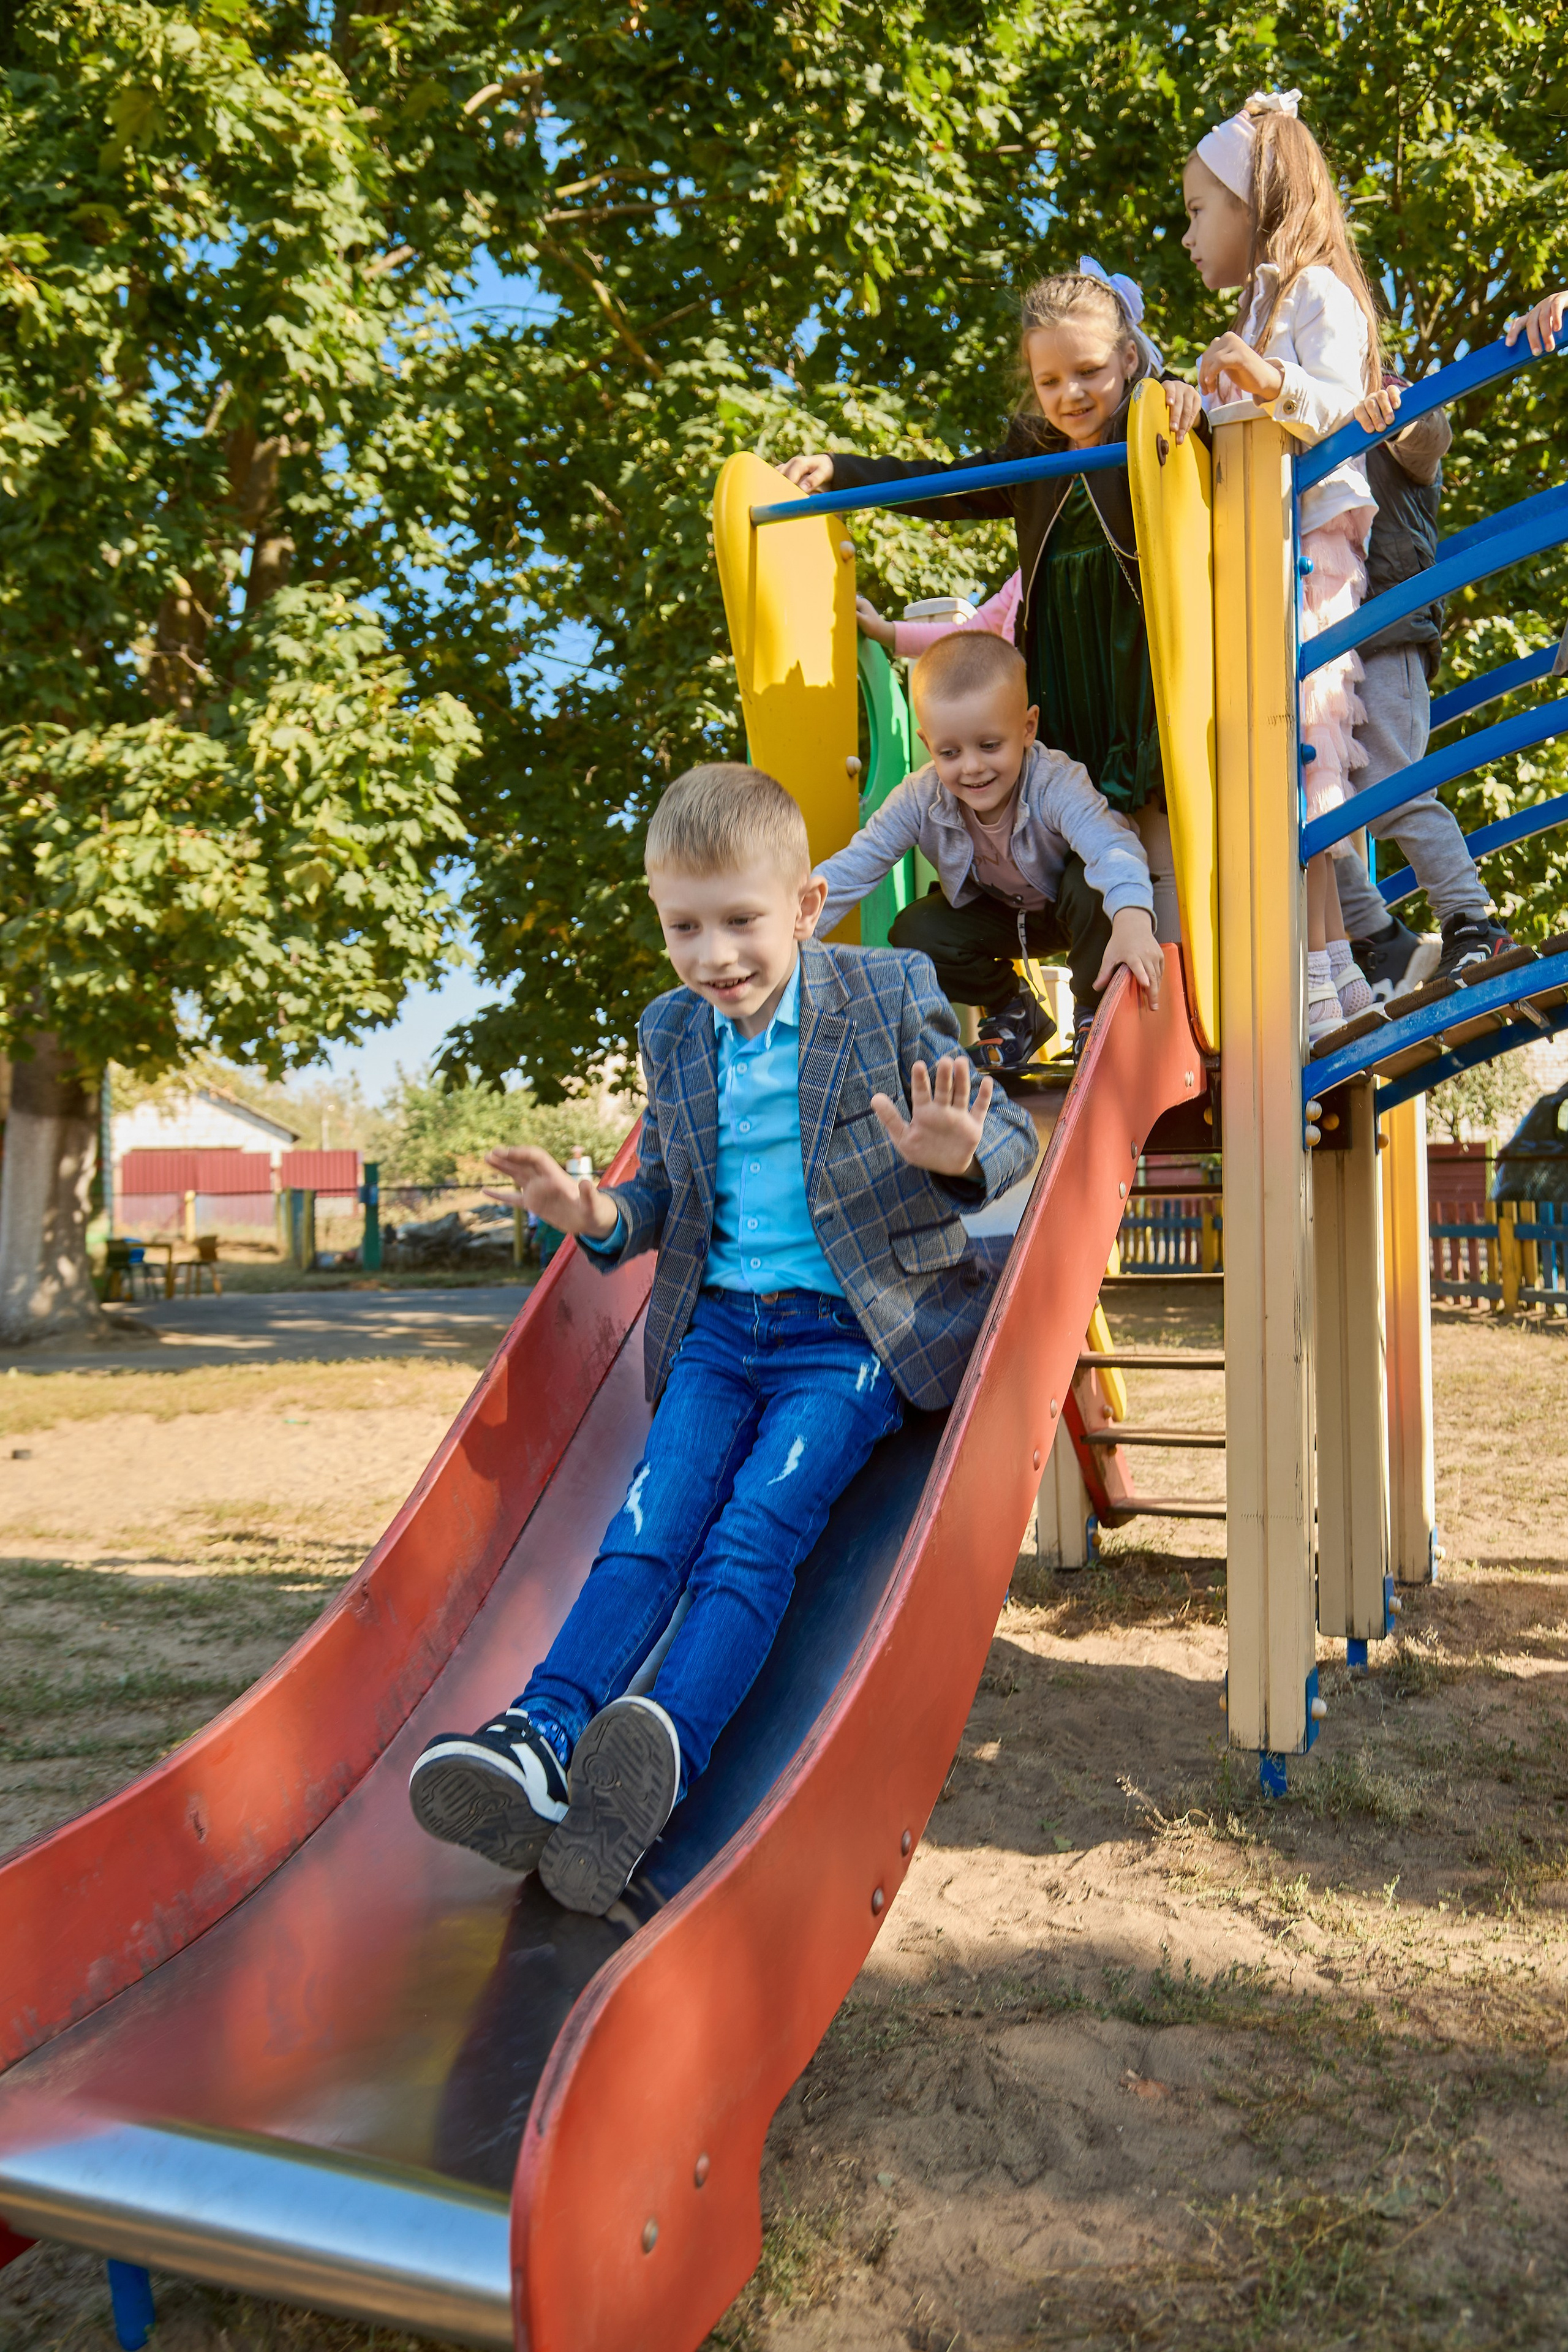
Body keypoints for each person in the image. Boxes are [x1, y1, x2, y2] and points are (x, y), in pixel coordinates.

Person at [407, 763, 1036, 1917]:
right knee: (648, 1529)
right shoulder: (674, 1035)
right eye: (683, 928)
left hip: (849, 1336)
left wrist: (956, 1154)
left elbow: (1006, 1146)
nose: (714, 956)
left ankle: (662, 1752)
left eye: (740, 921)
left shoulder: (885, 991)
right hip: (714, 1333)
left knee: (755, 1531)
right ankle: (542, 1739)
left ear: (803, 908)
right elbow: (666, 1202)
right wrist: (595, 1217)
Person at [778, 258, 1201, 1038]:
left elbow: (1215, 445)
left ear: (1132, 358)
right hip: (1065, 678)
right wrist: (843, 474)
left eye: (1089, 371)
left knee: (1133, 828)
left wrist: (1188, 394)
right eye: (1049, 381)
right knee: (1066, 819)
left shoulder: (1158, 431)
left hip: (1137, 668)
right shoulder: (1037, 456)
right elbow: (942, 485)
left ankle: (1124, 995)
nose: (1071, 395)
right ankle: (1052, 1000)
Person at [1182, 90, 1383, 1042]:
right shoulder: (1263, 304)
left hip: (1307, 550)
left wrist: (1270, 383)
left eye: (1197, 209)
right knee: (1283, 767)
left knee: (1297, 761)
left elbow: (1349, 403)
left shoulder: (1315, 292)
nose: (1188, 234)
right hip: (1273, 543)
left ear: (1255, 203)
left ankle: (1319, 974)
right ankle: (1337, 976)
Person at [813, 629, 1164, 1067]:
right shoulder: (920, 798)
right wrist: (791, 927)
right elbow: (857, 864)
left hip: (1074, 912)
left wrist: (1133, 920)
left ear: (1027, 728)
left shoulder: (1054, 782)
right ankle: (1015, 1011)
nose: (973, 767)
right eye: (950, 752)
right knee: (915, 930)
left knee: (1091, 882)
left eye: (990, 745)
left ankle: (1094, 1012)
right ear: (928, 746)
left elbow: (1112, 847)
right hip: (1002, 918)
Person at [1331, 379, 1515, 997]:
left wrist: (1398, 413)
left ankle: (1473, 921)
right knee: (1310, 805)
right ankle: (1374, 935)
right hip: (1328, 649)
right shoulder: (1307, 417)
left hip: (1388, 633)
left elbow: (1430, 438)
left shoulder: (1377, 397)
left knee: (1392, 787)